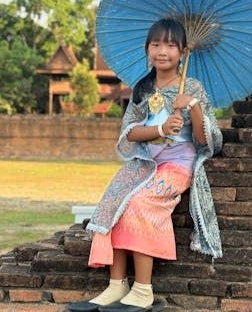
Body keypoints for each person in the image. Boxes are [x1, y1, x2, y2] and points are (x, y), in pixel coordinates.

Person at [68, 18, 222, 312]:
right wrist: (162, 129)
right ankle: (116, 285)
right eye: (155, 45)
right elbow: (130, 132)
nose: (162, 51)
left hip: (176, 167)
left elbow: (205, 140)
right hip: (145, 162)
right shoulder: (142, 90)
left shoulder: (191, 87)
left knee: (139, 202)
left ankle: (142, 289)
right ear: (147, 49)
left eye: (170, 45)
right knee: (115, 200)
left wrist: (193, 107)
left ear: (182, 52)